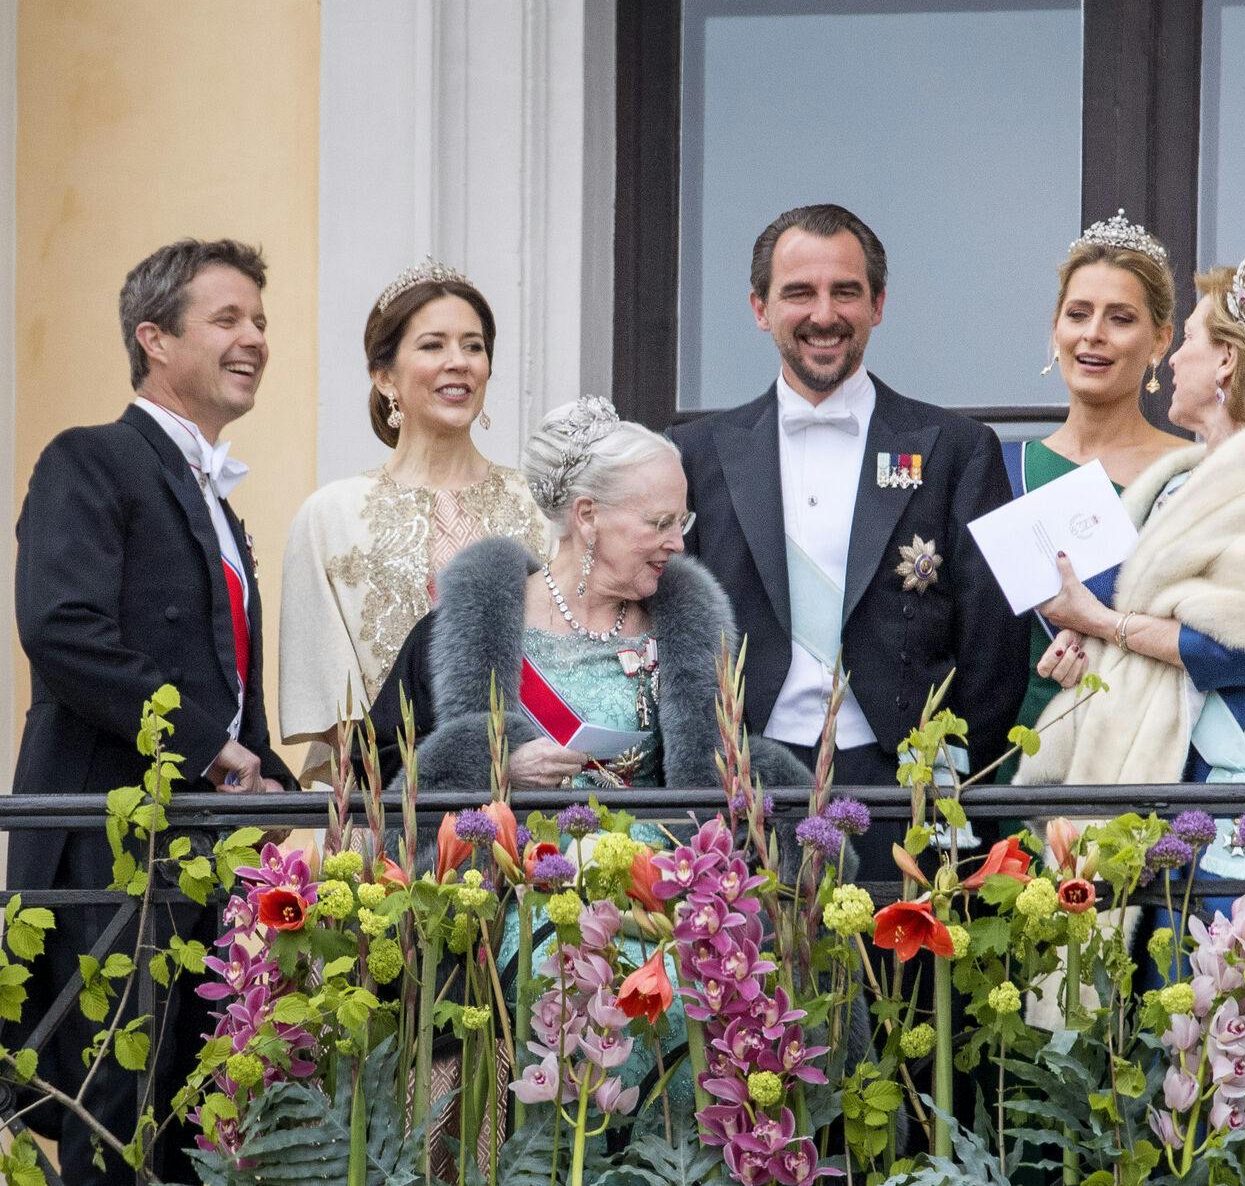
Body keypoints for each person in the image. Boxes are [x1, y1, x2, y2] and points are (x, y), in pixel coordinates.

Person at [356, 398, 821, 1149]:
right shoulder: (471, 627)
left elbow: (726, 762)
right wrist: (498, 768)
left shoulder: (686, 634)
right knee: (569, 978)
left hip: (659, 882)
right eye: (658, 522)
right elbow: (382, 772)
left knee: (694, 987)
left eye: (682, 523)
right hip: (516, 888)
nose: (676, 542)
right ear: (587, 516)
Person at [9, 238, 300, 1182]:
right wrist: (214, 749)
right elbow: (63, 630)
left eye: (259, 320)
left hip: (206, 850)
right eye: (228, 319)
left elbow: (231, 687)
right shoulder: (89, 459)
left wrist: (297, 796)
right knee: (117, 1122)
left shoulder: (216, 494)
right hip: (111, 856)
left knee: (202, 1124)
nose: (254, 337)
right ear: (153, 339)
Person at [668, 204, 1027, 871]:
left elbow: (994, 645)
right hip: (744, 789)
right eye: (799, 292)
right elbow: (675, 632)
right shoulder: (694, 455)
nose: (824, 314)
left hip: (902, 796)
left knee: (895, 978)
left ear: (879, 304)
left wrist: (939, 780)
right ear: (759, 307)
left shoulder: (955, 449)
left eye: (846, 291)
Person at [1014, 247, 1245, 884]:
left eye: (1191, 338)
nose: (1172, 357)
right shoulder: (1186, 480)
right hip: (1185, 795)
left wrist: (1102, 622)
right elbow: (1136, 598)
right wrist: (1083, 635)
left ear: (1228, 358)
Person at [279, 260, 545, 783]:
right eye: (432, 346)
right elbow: (333, 716)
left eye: (473, 346)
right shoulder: (330, 515)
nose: (459, 362)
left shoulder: (539, 504)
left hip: (532, 815)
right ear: (384, 376)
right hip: (383, 815)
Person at [1004, 210, 1188, 745]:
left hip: (1148, 756)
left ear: (1160, 340)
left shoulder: (1193, 473)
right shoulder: (1002, 471)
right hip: (1019, 751)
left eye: (1121, 318)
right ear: (1055, 330)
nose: (1093, 335)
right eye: (1078, 313)